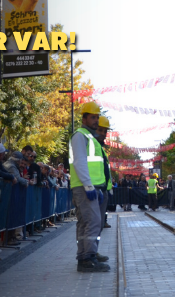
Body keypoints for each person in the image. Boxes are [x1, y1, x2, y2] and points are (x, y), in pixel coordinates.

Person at [69, 101, 110, 272]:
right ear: (84, 118)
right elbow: (80, 162)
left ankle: (84, 256)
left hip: (89, 186)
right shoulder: (80, 135)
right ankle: (88, 258)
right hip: (85, 187)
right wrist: (88, 186)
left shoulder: (88, 137)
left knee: (86, 222)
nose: (96, 121)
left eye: (97, 117)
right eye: (93, 117)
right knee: (92, 222)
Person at [94, 116, 113, 228]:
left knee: (97, 229)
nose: (103, 133)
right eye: (100, 130)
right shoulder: (90, 144)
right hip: (93, 190)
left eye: (105, 131)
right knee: (91, 229)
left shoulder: (101, 148)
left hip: (102, 190)